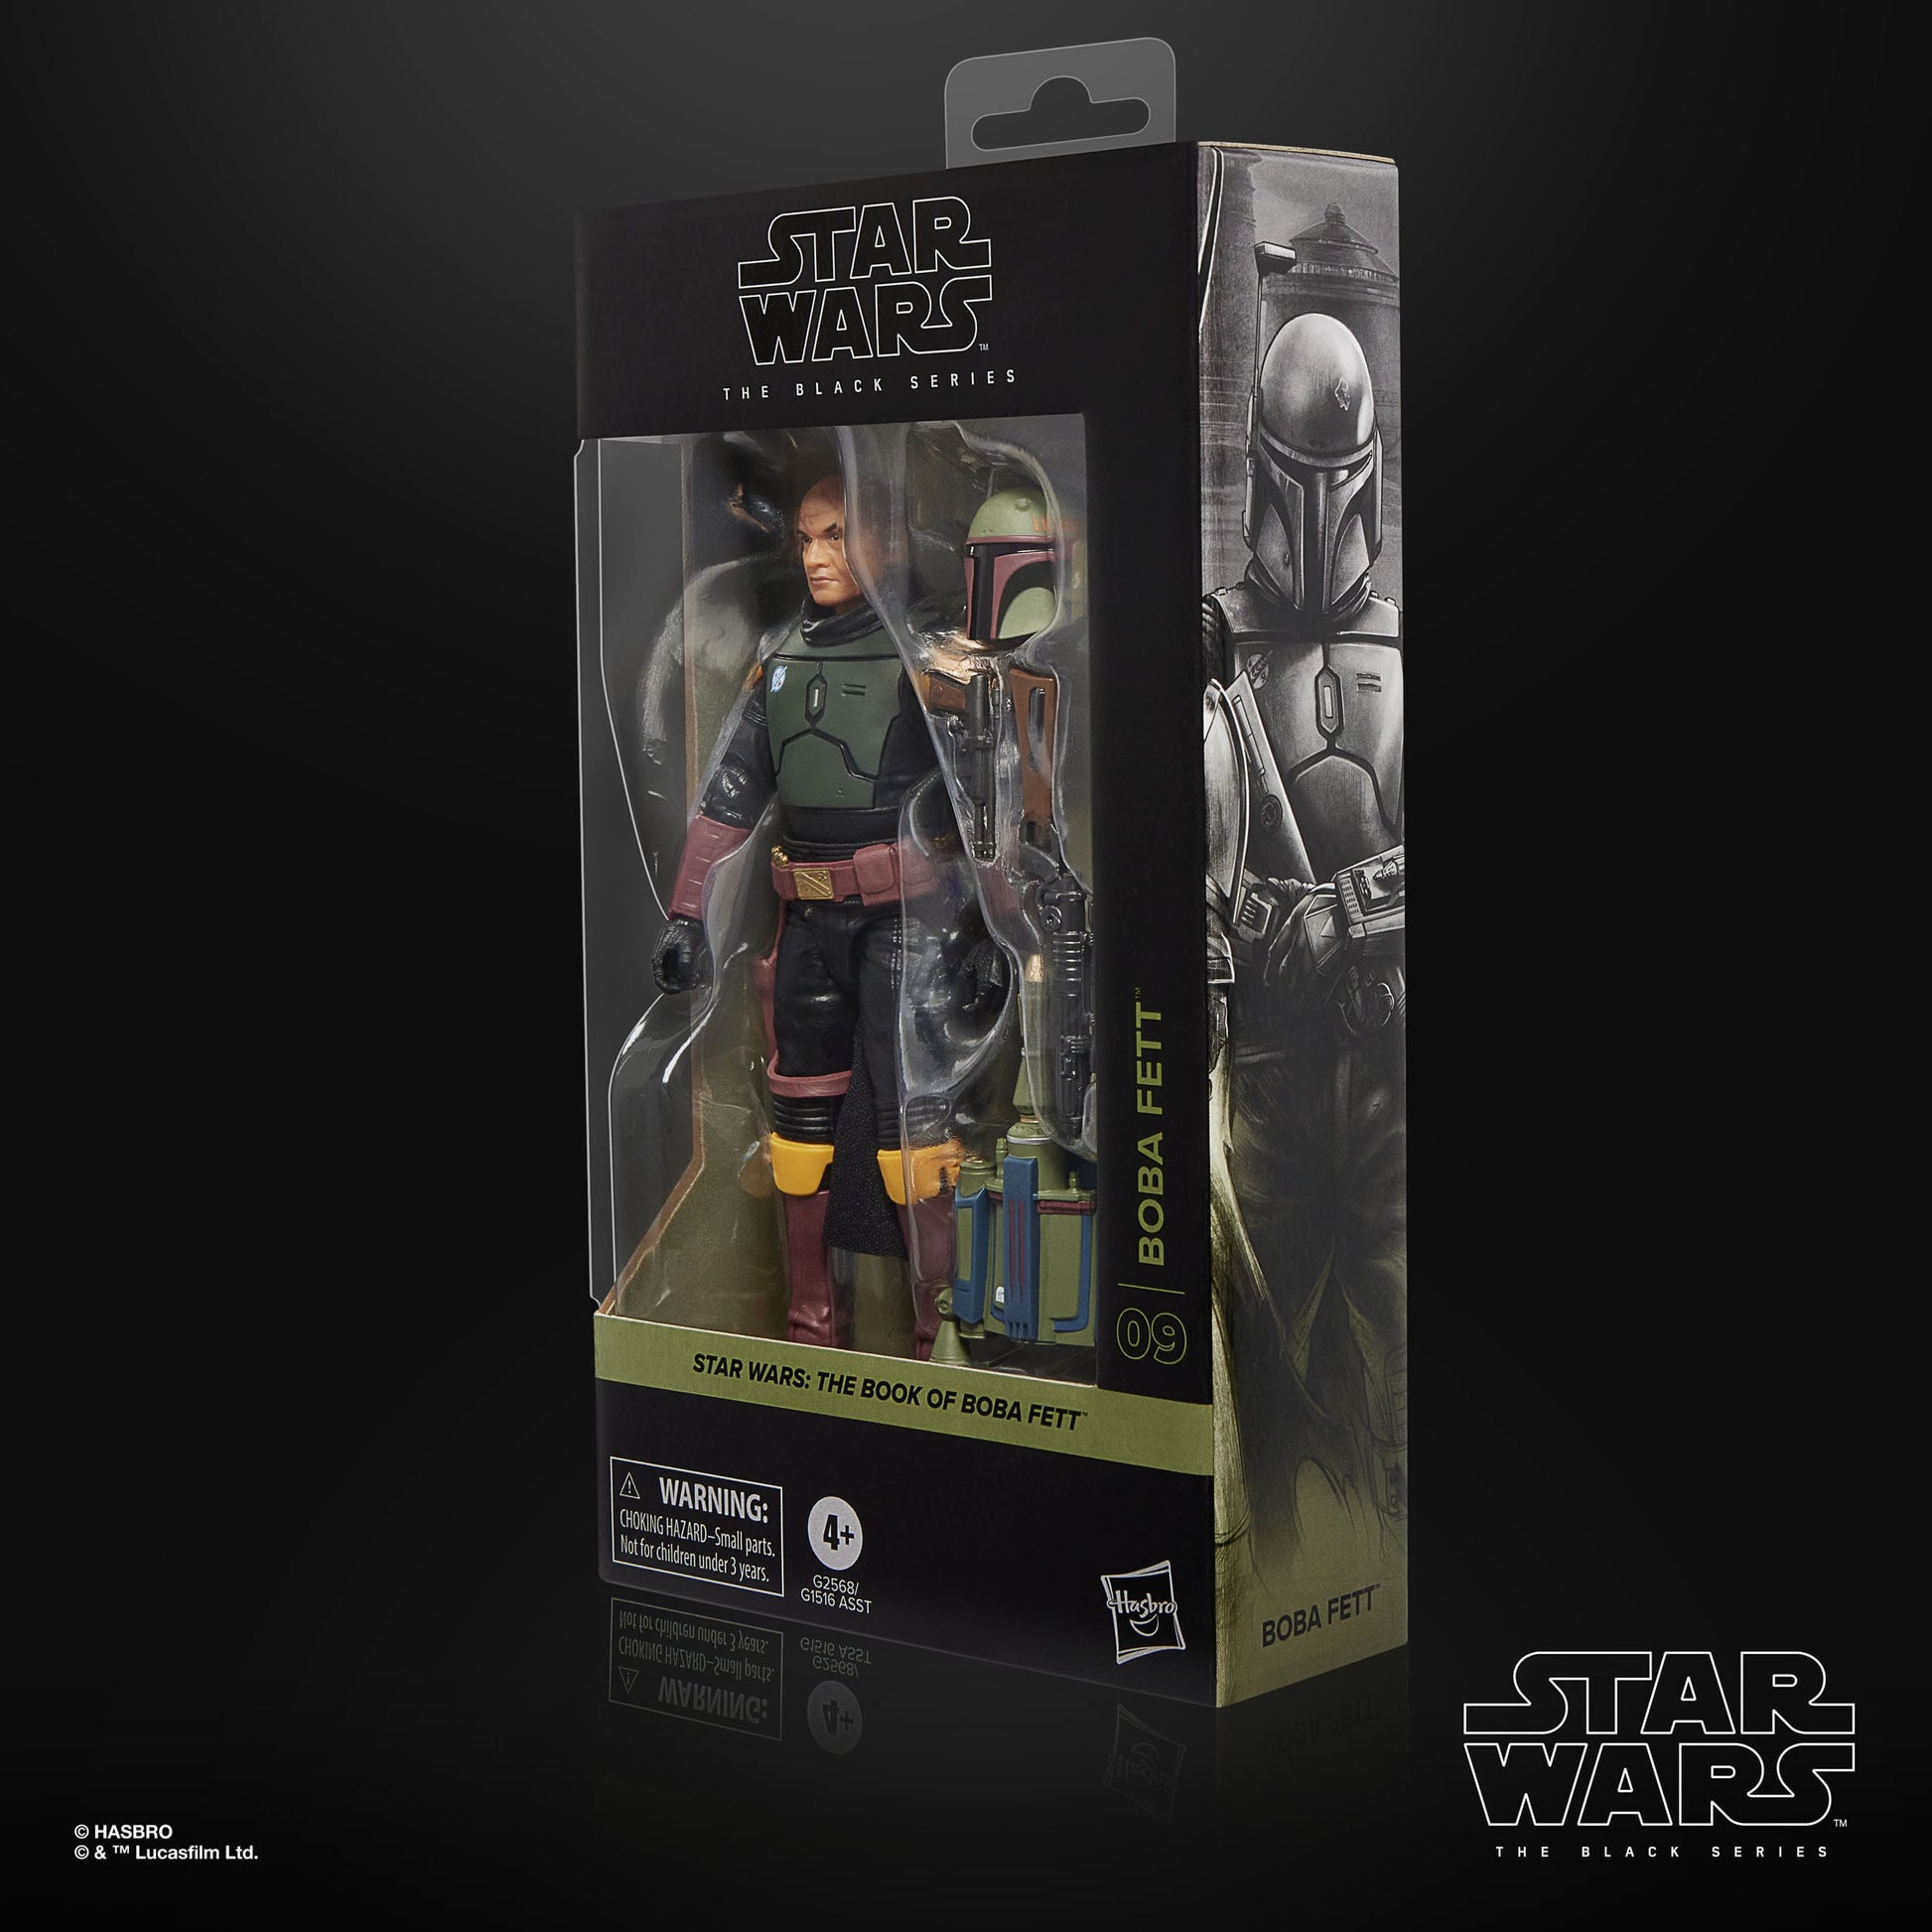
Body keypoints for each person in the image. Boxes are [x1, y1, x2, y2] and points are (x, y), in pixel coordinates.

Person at [650, 476, 968, 1355]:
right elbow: (731, 793)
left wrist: (991, 921)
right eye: (806, 539)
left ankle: (937, 1332)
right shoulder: (781, 656)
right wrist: (688, 915)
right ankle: (811, 1327)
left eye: (838, 536)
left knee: (914, 1124)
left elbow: (983, 799)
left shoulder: (925, 658)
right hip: (804, 925)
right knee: (799, 1127)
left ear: (887, 543)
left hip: (903, 922)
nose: (818, 557)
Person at [1202, 312, 1408, 1578]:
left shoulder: (1401, 640)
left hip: (1384, 1065)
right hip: (1267, 1075)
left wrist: (1355, 909)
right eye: (1300, 475)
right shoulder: (1209, 645)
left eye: (1339, 476)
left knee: (1395, 1365)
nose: (1320, 508)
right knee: (1265, 1375)